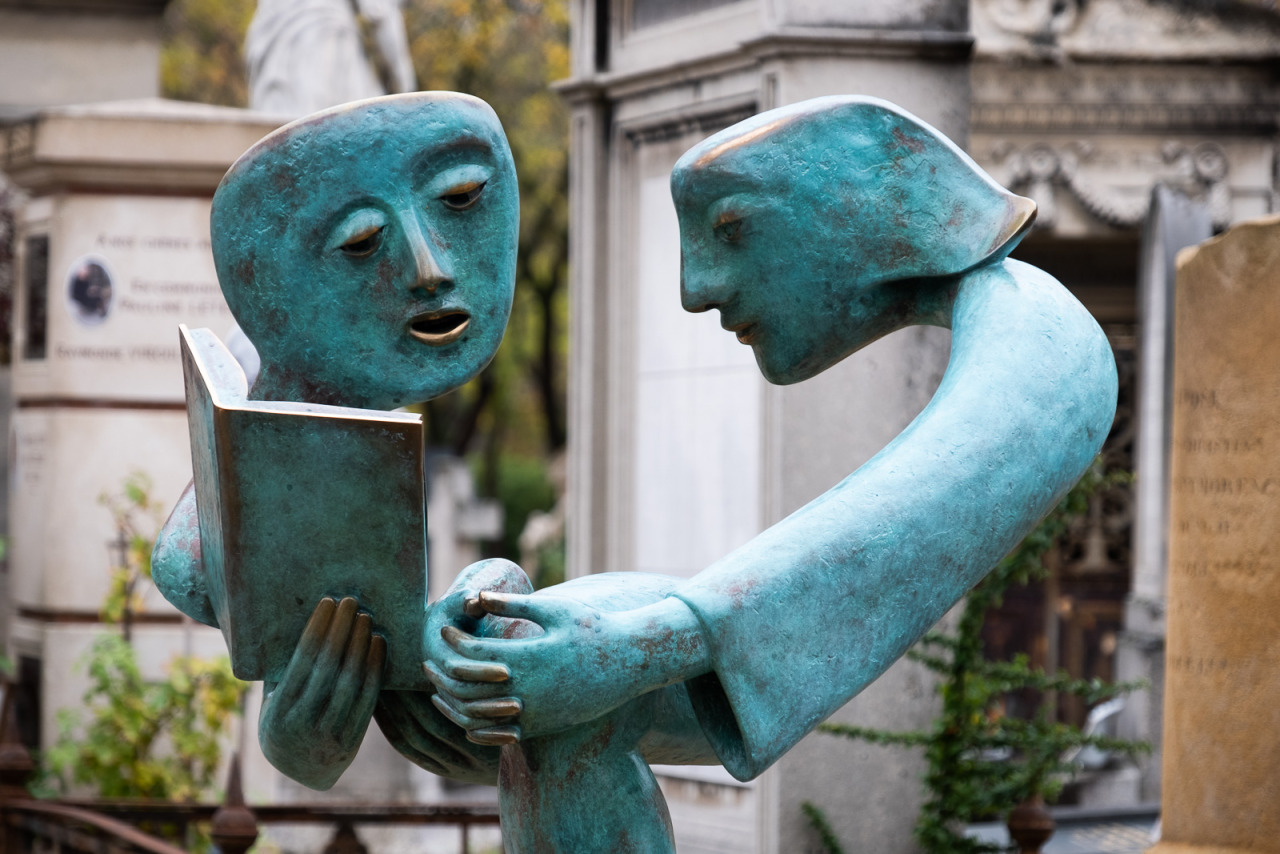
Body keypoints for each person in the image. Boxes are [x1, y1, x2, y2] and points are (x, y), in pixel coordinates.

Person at [426, 94, 1118, 816]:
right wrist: (487, 630)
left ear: (857, 209)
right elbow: (634, 683)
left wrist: (632, 649)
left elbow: (888, 529)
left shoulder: (1044, 337)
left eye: (733, 229)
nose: (696, 292)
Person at [152, 92, 525, 789]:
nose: (429, 266)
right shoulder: (276, 381)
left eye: (463, 197)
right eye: (359, 243)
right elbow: (188, 561)